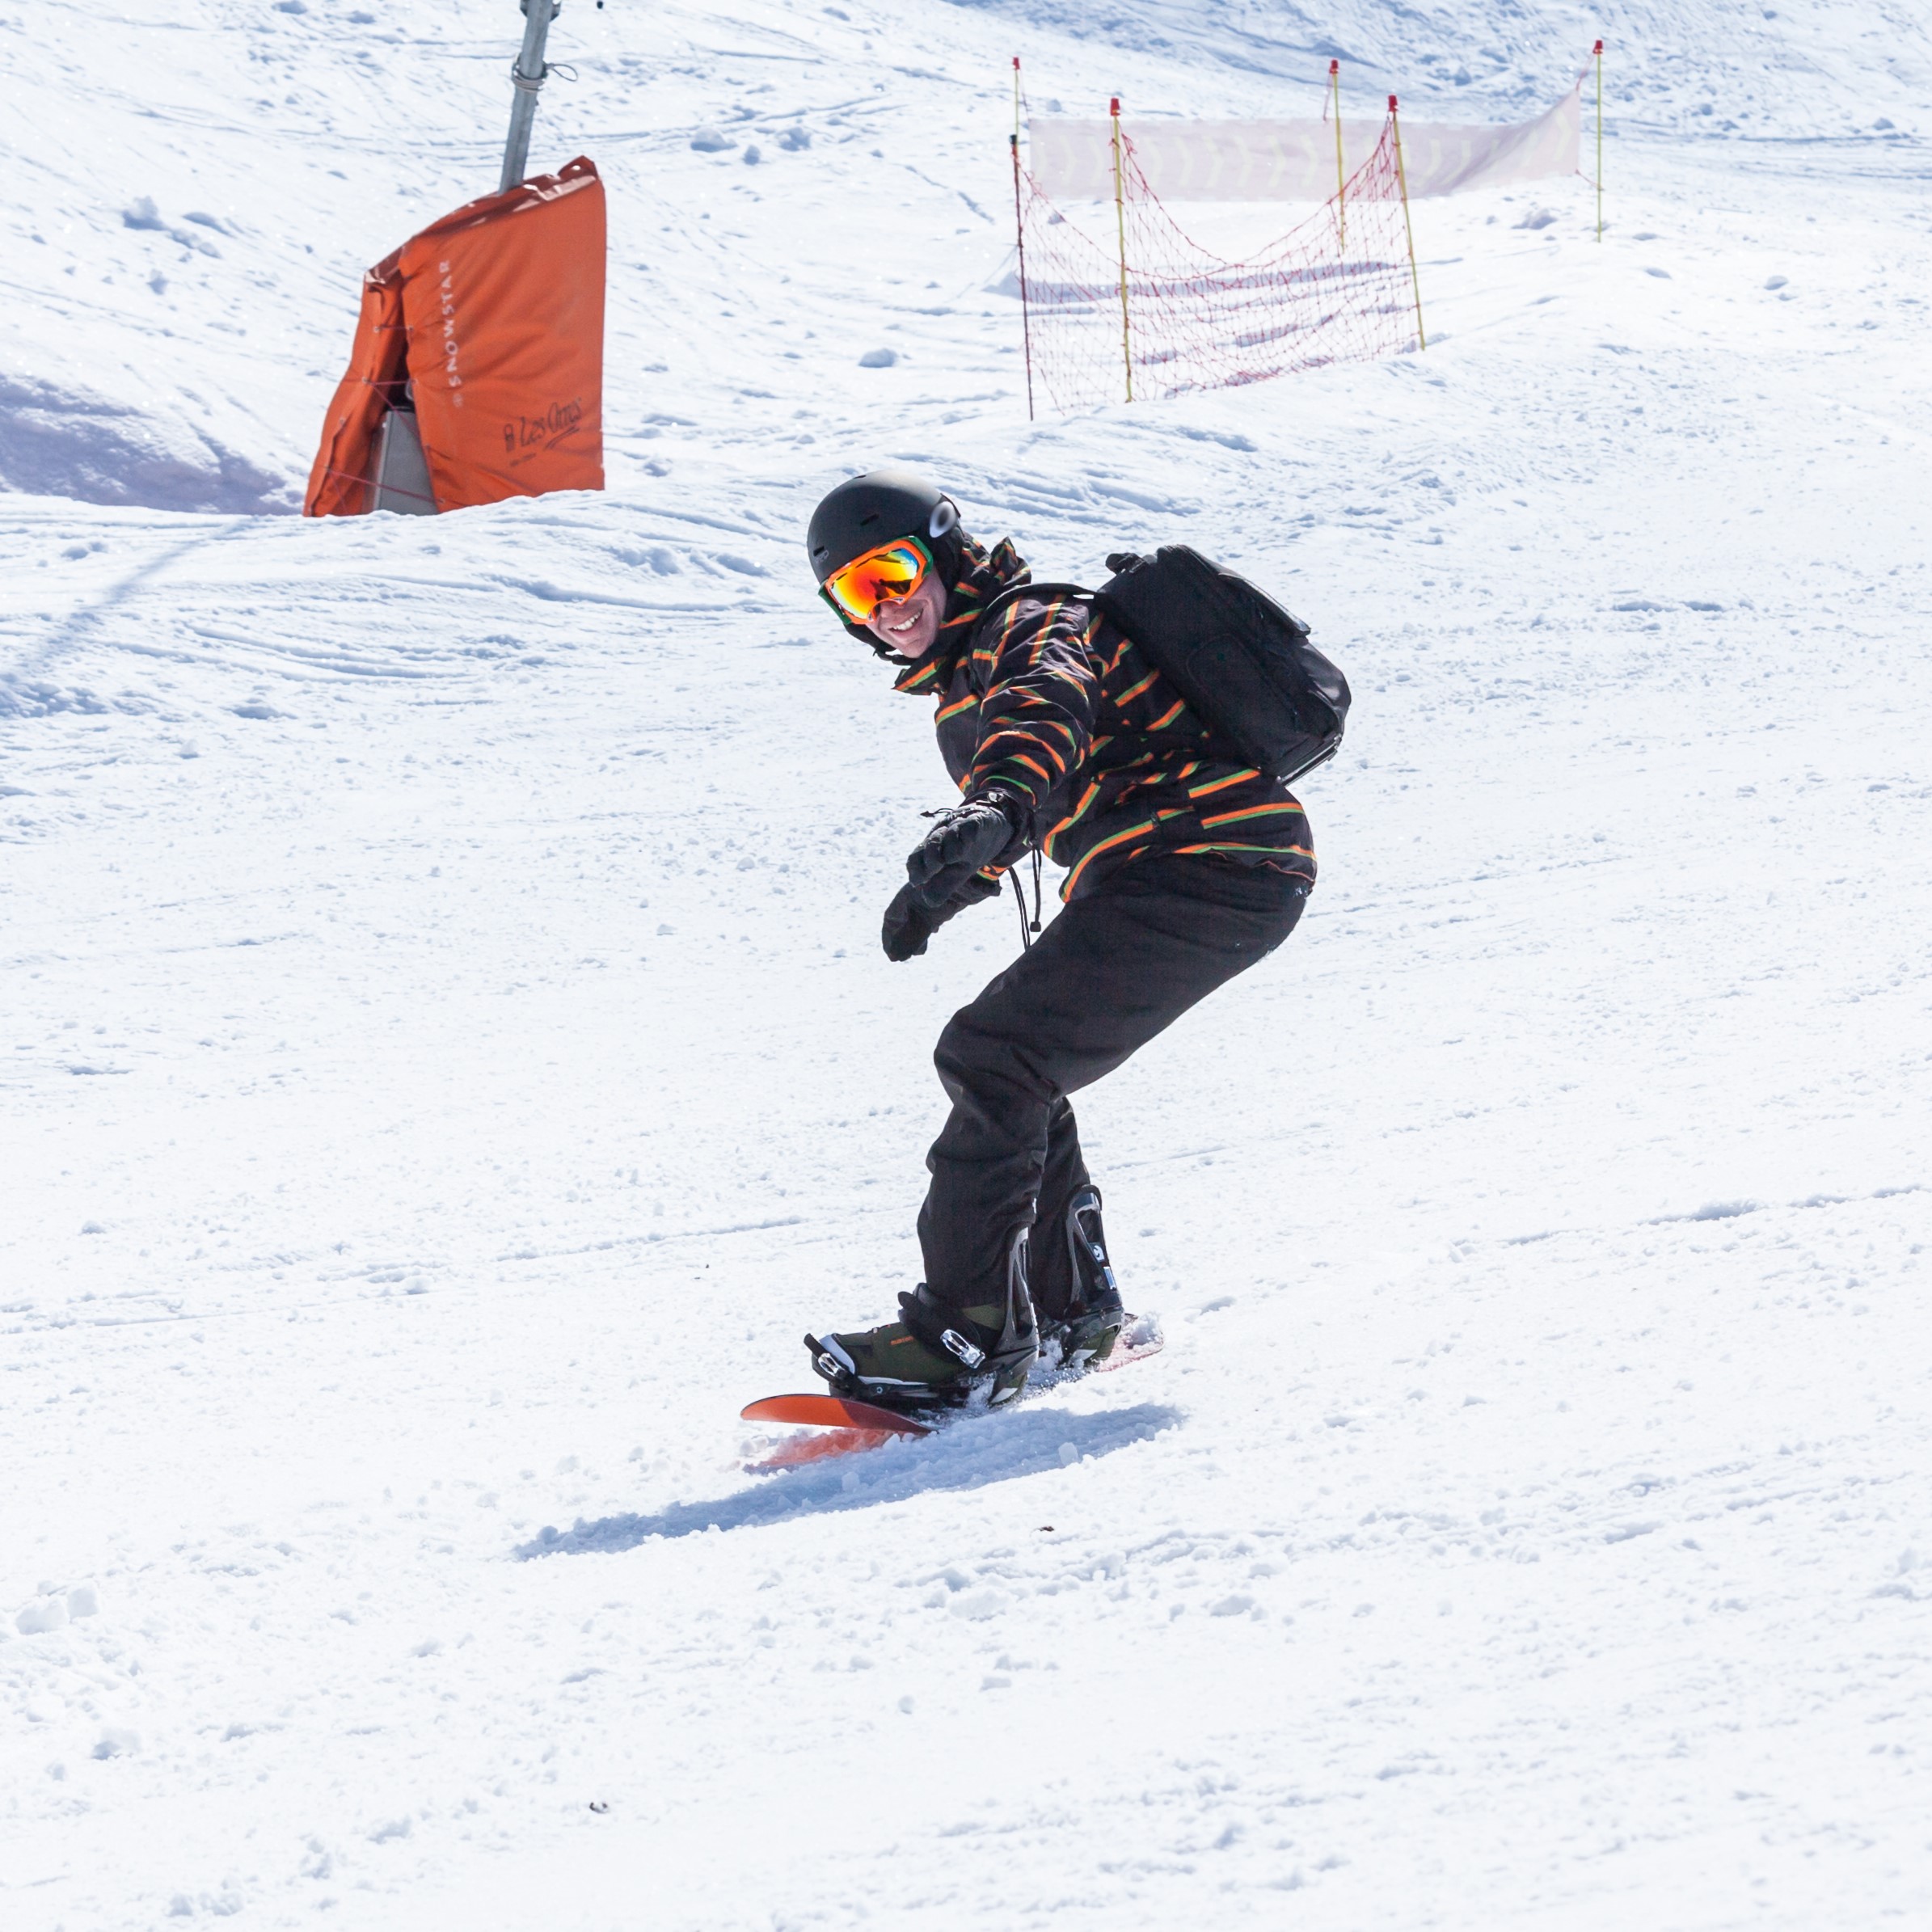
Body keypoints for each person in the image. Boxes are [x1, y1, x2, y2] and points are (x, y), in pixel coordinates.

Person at [801, 469, 1314, 1412]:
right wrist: (947, 883)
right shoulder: (960, 681)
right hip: (1183, 866)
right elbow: (1038, 794)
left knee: (992, 1054)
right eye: (855, 593)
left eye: (896, 572)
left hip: (1208, 854)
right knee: (1016, 1059)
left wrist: (990, 806)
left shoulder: (1028, 623)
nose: (886, 608)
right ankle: (1076, 1312)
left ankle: (964, 1334)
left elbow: (1048, 708)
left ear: (948, 550)